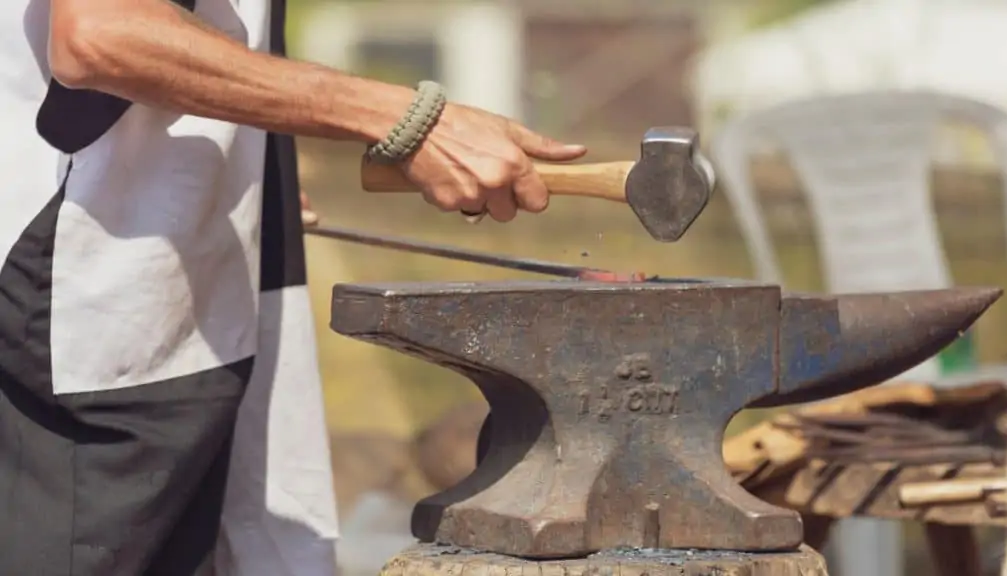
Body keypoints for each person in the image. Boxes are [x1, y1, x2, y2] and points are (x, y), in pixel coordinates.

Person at [0, 0, 587, 574]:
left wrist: (259, 183)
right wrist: (409, 120)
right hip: (94, 313)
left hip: (179, 292)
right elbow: (103, 33)